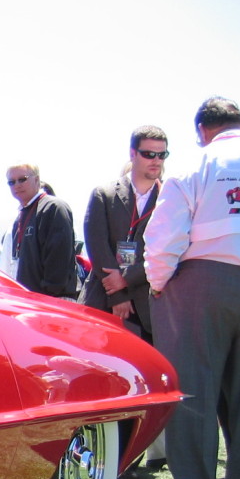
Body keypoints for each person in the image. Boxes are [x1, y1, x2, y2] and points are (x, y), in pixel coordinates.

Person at [145, 96, 240, 479]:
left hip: (203, 282)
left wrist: (158, 284)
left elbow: (163, 237)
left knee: (193, 388)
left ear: (202, 130)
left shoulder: (196, 165)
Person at [82, 126, 168, 339]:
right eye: (148, 154)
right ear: (132, 153)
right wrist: (118, 295)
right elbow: (97, 246)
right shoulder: (105, 193)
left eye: (162, 154)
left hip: (150, 308)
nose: (156, 160)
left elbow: (169, 250)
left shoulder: (170, 198)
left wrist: (127, 278)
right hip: (103, 302)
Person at [6, 162, 78, 298]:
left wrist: (48, 293)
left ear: (37, 180)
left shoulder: (53, 207)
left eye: (22, 179)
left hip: (52, 300)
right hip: (29, 300)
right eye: (11, 182)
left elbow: (58, 257)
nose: (17, 185)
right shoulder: (20, 216)